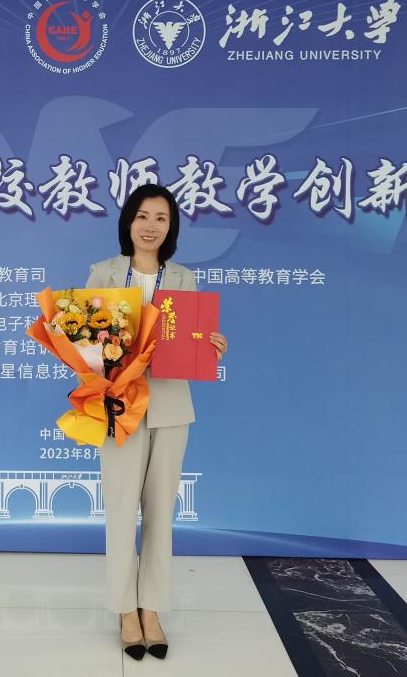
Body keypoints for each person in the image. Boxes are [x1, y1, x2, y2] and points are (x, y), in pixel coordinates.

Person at [85, 184, 228, 660]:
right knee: (121, 508)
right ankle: (125, 610)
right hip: (119, 406)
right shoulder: (103, 272)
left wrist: (210, 345)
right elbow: (86, 345)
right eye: (143, 216)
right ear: (128, 221)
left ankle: (152, 609)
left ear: (171, 227)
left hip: (170, 407)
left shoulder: (184, 278)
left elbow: (189, 341)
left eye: (161, 218)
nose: (150, 226)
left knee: (161, 512)